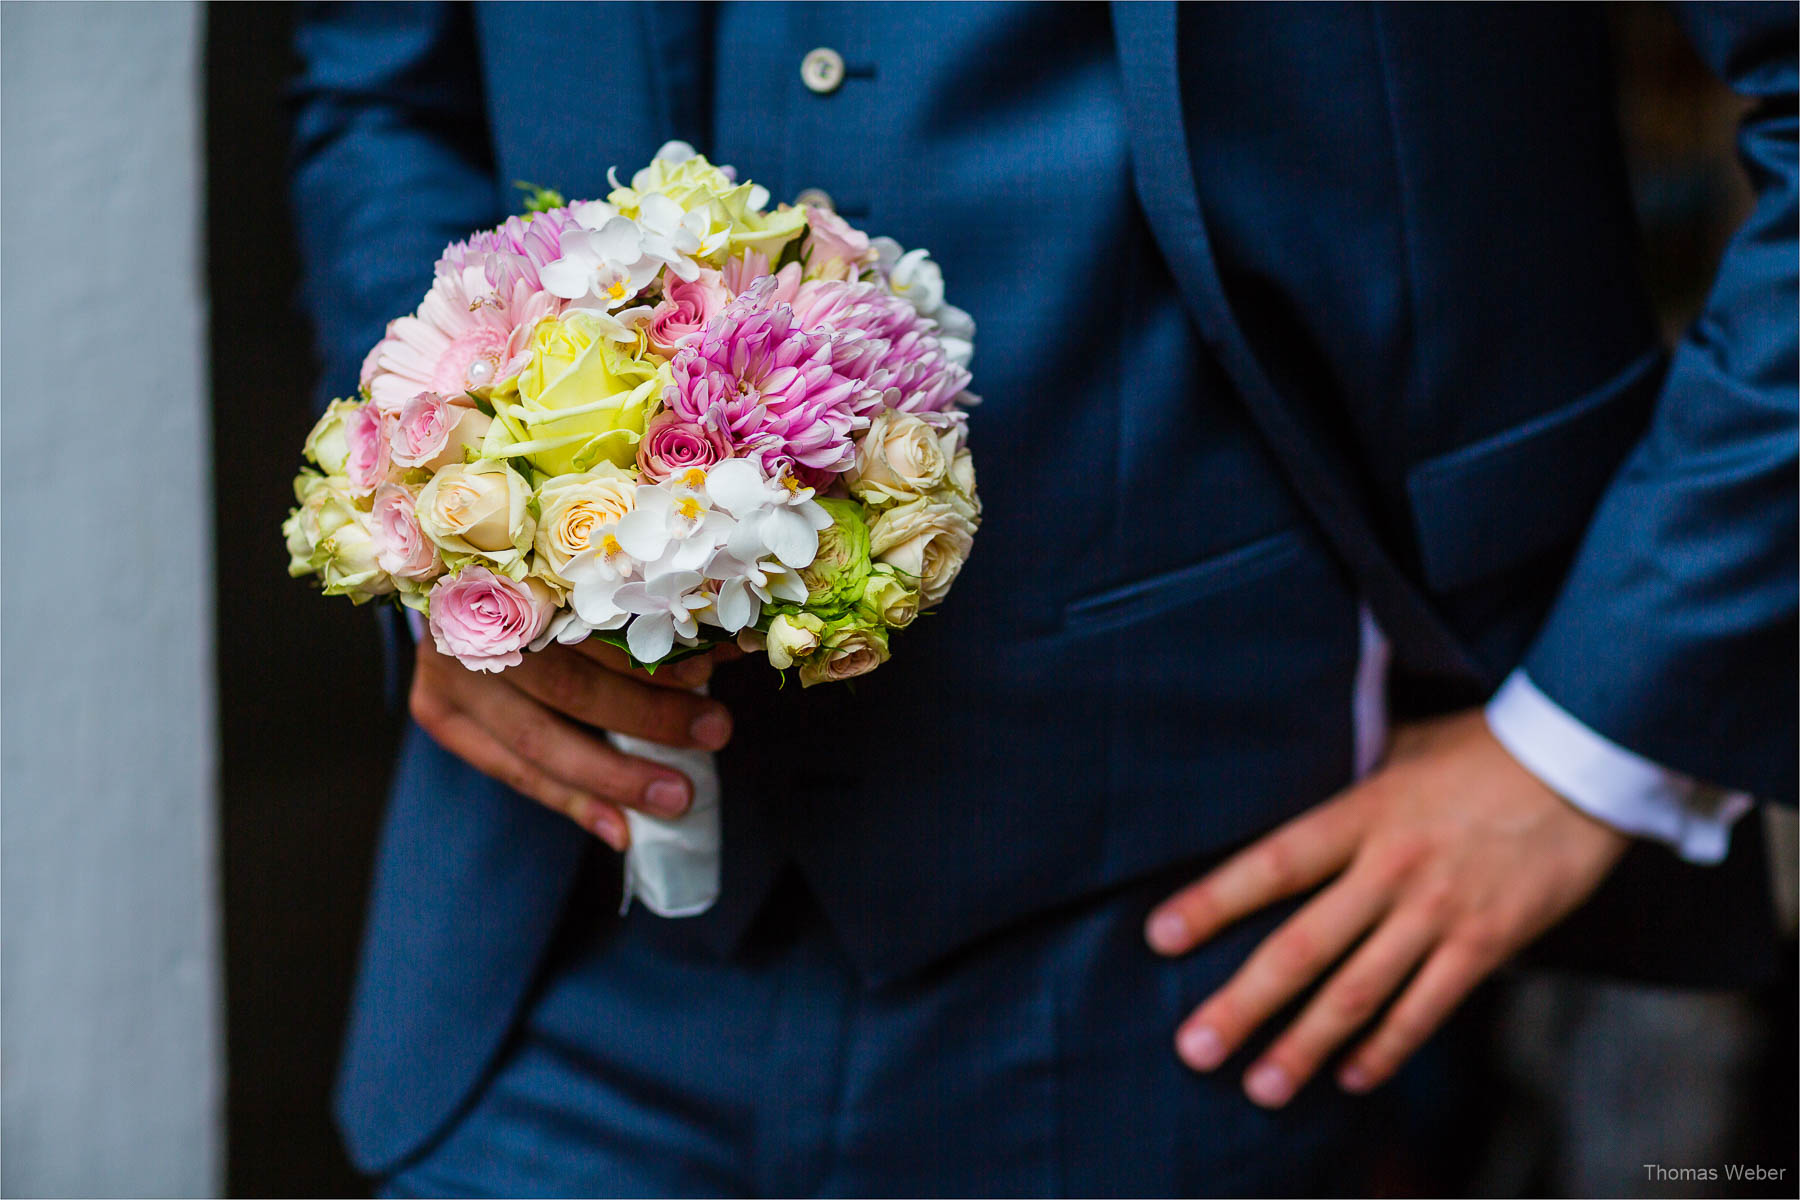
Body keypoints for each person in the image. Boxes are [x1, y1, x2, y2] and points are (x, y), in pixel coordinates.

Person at [290, 3, 1796, 1195]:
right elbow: (385, 94)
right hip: (558, 972)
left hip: (1201, 973)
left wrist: (1588, 741)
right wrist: (435, 518)